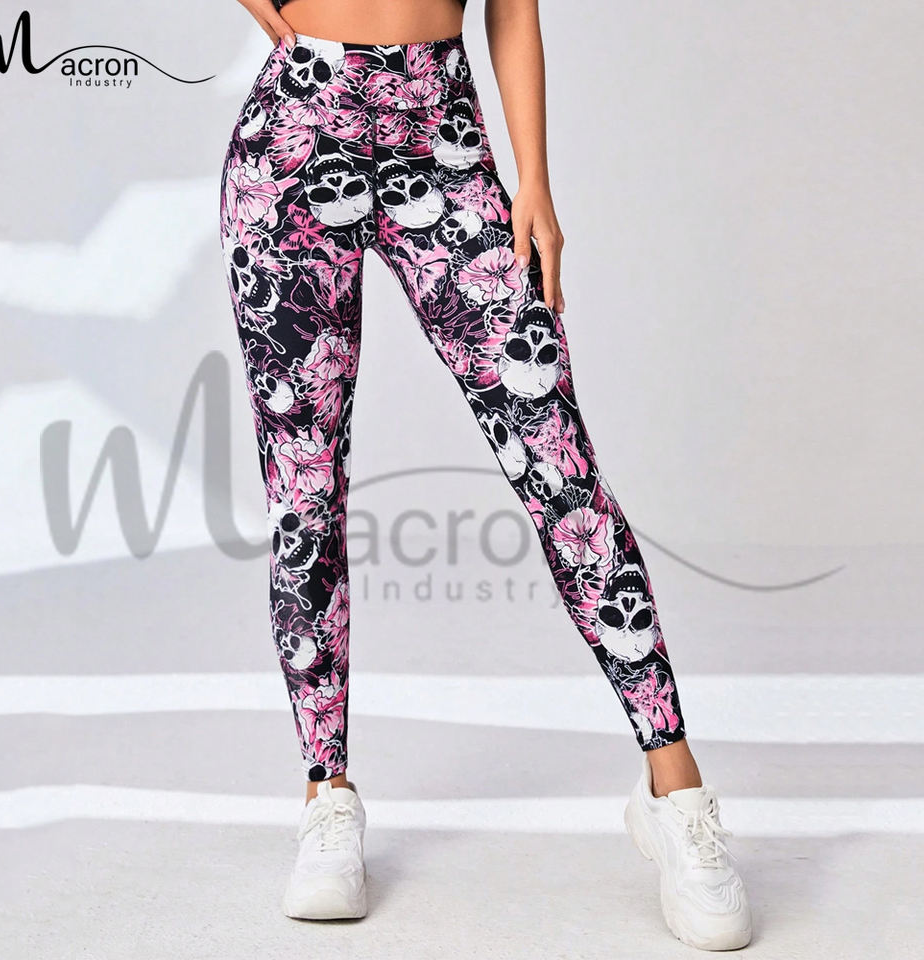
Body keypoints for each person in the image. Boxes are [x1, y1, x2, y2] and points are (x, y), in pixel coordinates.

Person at [221, 0, 753, 950]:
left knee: (560, 468)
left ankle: (674, 790)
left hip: (444, 138)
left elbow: (512, 7)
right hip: (292, 143)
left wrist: (533, 179)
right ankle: (326, 793)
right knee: (305, 490)